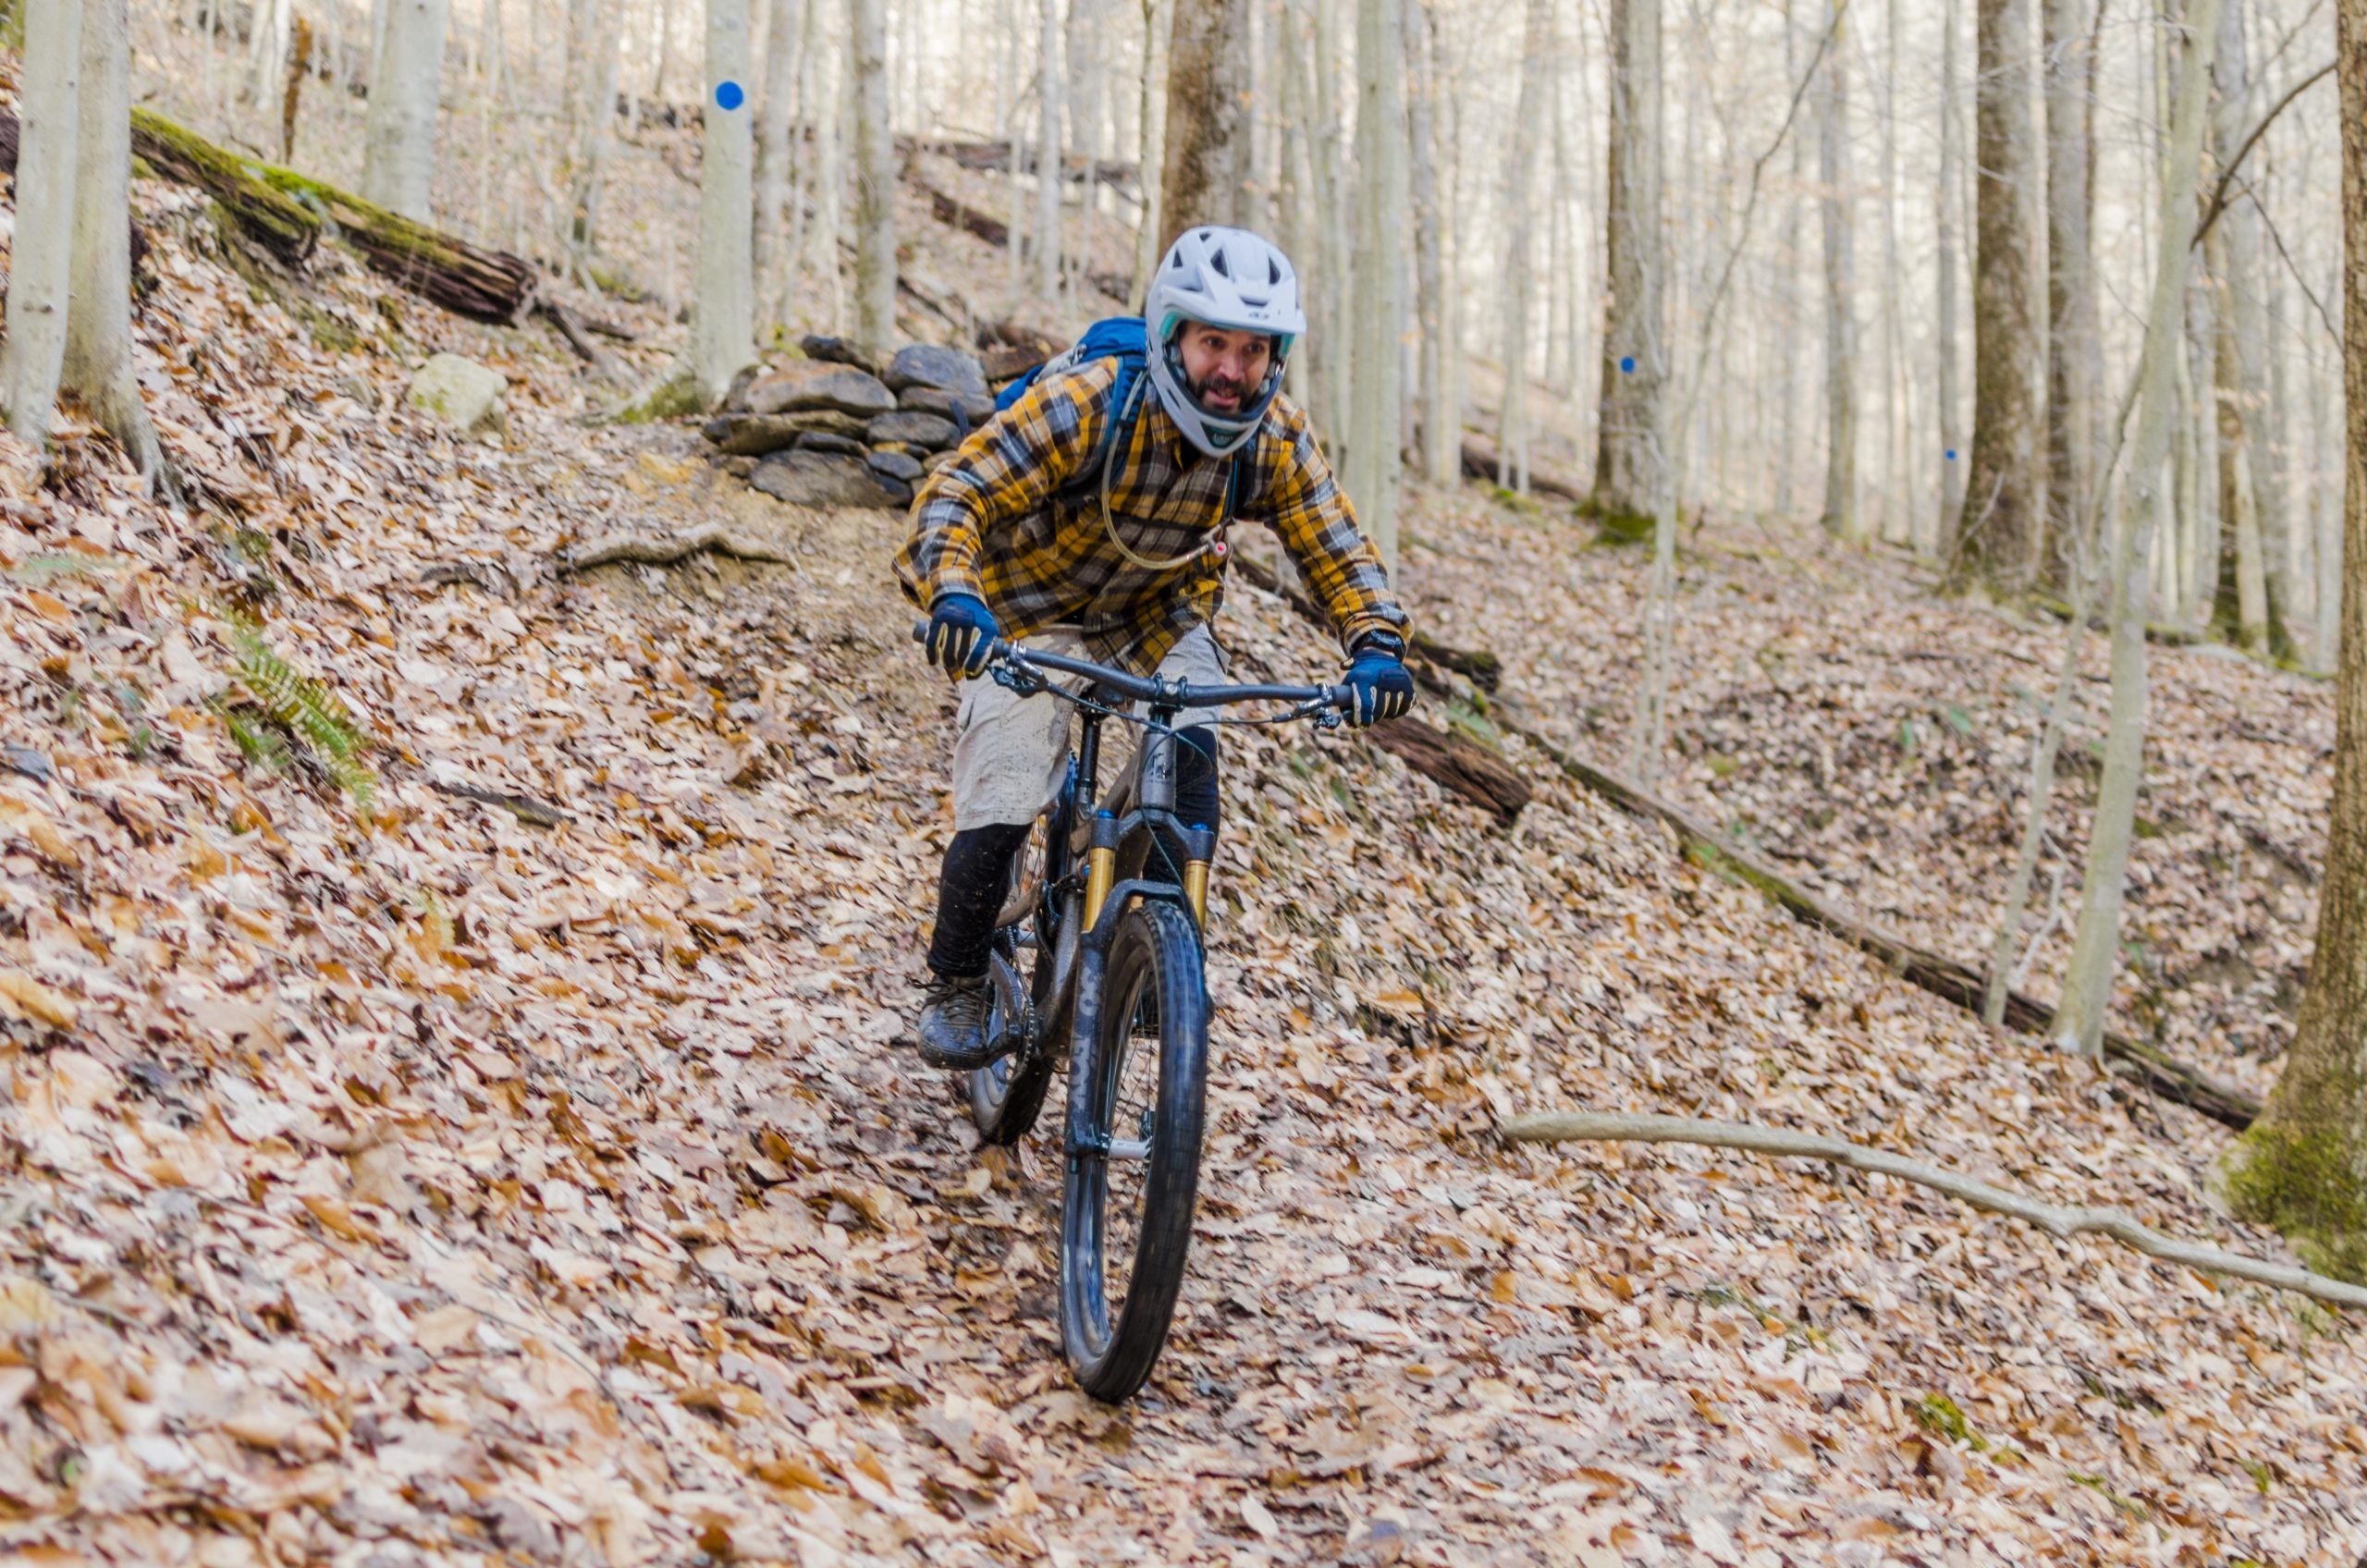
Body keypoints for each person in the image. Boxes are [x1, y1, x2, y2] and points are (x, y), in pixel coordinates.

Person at [894, 226, 1416, 1070]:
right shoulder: (1091, 402)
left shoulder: (1271, 438)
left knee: (1190, 757)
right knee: (1006, 785)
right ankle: (955, 981)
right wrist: (956, 592)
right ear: (1172, 335)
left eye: (1253, 351)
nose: (1231, 370)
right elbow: (958, 490)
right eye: (1214, 343)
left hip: (1157, 617)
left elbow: (1336, 544)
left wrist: (1377, 643)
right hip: (1026, 613)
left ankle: (1161, 959)